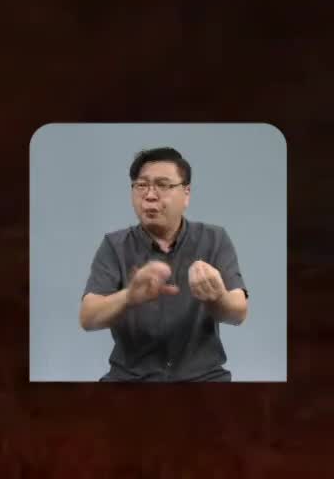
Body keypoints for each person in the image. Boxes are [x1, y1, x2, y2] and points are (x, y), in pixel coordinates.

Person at [78, 146, 250, 382]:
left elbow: (238, 313)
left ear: (186, 193)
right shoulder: (114, 245)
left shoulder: (214, 239)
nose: (150, 194)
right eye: (141, 185)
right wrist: (129, 296)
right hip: (130, 379)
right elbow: (88, 318)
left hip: (203, 379)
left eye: (162, 185)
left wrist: (217, 297)